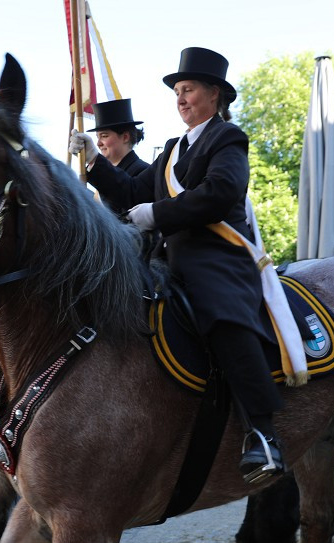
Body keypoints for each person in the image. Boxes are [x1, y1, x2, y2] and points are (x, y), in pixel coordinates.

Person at [70, 46, 284, 481]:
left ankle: (263, 434)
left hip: (217, 256)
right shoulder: (171, 149)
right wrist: (93, 159)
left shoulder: (228, 138)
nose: (181, 99)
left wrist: (159, 214)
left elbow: (222, 193)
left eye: (188, 90)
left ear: (215, 94)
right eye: (177, 92)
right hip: (168, 258)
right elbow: (131, 193)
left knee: (222, 315)